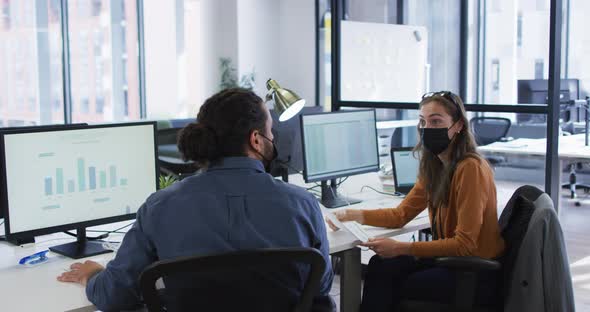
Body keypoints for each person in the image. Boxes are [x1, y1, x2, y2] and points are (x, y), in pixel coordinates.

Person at [57, 88, 334, 311]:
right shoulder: (303, 204)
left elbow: (114, 296)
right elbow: (320, 286)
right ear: (256, 140)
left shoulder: (160, 206)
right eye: (270, 131)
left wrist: (93, 275)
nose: (273, 137)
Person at [329, 91, 505, 311]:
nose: (427, 128)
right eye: (423, 121)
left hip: (472, 273)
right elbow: (400, 215)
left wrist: (402, 248)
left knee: (392, 282)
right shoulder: (435, 166)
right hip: (449, 260)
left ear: (458, 125)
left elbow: (465, 244)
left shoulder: (470, 168)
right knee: (381, 265)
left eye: (436, 121)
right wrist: (352, 215)